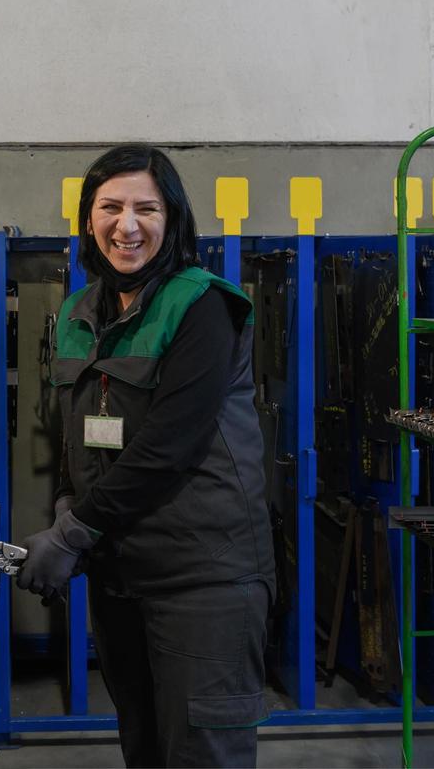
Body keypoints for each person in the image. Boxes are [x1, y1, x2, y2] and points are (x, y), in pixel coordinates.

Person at [16, 144, 276, 769]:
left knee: (201, 754)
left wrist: (73, 531)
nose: (126, 225)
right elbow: (80, 434)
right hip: (122, 575)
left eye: (145, 208)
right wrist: (68, 507)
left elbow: (168, 446)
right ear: (88, 220)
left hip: (203, 579)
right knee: (146, 746)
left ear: (174, 220)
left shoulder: (202, 305)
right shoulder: (82, 311)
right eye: (109, 207)